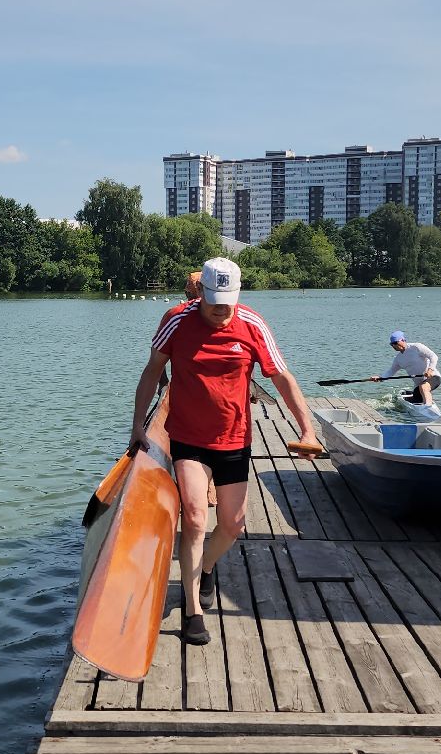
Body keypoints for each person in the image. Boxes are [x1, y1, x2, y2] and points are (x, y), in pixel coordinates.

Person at [131, 257, 320, 646]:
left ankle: (207, 567)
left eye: (227, 301)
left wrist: (307, 428)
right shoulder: (177, 321)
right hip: (187, 436)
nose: (220, 310)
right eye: (213, 300)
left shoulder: (252, 323)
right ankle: (192, 610)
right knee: (197, 518)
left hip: (235, 439)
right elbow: (152, 371)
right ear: (201, 293)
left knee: (233, 525)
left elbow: (282, 377)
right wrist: (136, 425)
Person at [373, 330, 441, 407]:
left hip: (433, 376)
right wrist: (380, 378)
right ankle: (425, 403)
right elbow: (391, 371)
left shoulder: (416, 347)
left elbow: (433, 356)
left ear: (402, 340)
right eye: (391, 344)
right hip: (418, 384)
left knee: (424, 387)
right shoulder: (398, 359)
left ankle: (428, 408)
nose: (394, 346)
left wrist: (430, 369)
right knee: (419, 395)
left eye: (395, 343)